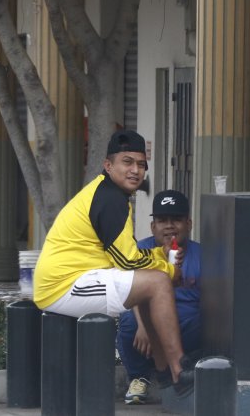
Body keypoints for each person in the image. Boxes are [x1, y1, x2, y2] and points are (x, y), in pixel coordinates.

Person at [32, 130, 194, 396]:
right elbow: (127, 261)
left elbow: (124, 256)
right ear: (108, 166)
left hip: (77, 277)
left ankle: (165, 370)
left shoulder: (107, 192)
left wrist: (158, 258)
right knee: (158, 281)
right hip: (64, 286)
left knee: (150, 285)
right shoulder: (110, 199)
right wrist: (167, 267)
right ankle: (179, 372)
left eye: (141, 165)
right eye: (127, 162)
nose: (135, 171)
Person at [117, 190, 201, 405]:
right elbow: (129, 289)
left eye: (177, 220)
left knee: (203, 320)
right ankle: (139, 377)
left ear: (189, 224)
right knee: (128, 321)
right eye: (162, 220)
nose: (169, 226)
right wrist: (145, 326)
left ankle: (187, 372)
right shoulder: (140, 250)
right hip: (146, 318)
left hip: (185, 323)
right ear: (153, 226)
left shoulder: (202, 254)